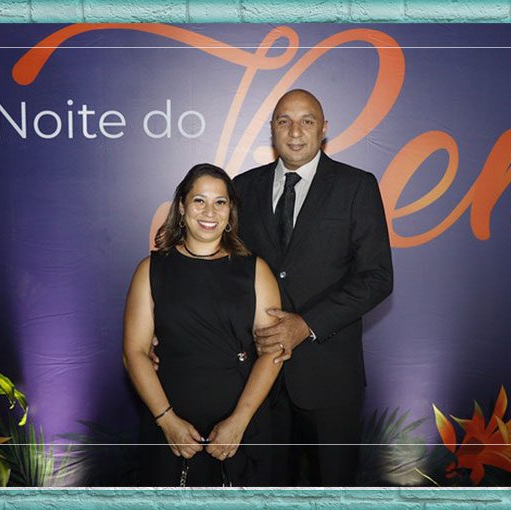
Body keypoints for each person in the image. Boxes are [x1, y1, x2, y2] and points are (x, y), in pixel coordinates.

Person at [232, 89, 394, 486]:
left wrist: (306, 324)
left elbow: (377, 277)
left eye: (307, 121)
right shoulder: (242, 188)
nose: (295, 131)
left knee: (334, 492)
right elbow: (225, 276)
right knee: (265, 493)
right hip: (259, 380)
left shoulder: (356, 186)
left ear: (324, 129)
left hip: (330, 379)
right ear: (272, 129)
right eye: (284, 121)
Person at [123, 163, 282, 486]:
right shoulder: (150, 270)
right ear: (182, 206)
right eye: (199, 200)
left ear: (230, 211)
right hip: (170, 424)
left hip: (241, 426)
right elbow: (134, 353)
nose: (210, 211)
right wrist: (167, 421)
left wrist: (240, 420)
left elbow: (272, 352)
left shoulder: (256, 270)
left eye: (220, 202)